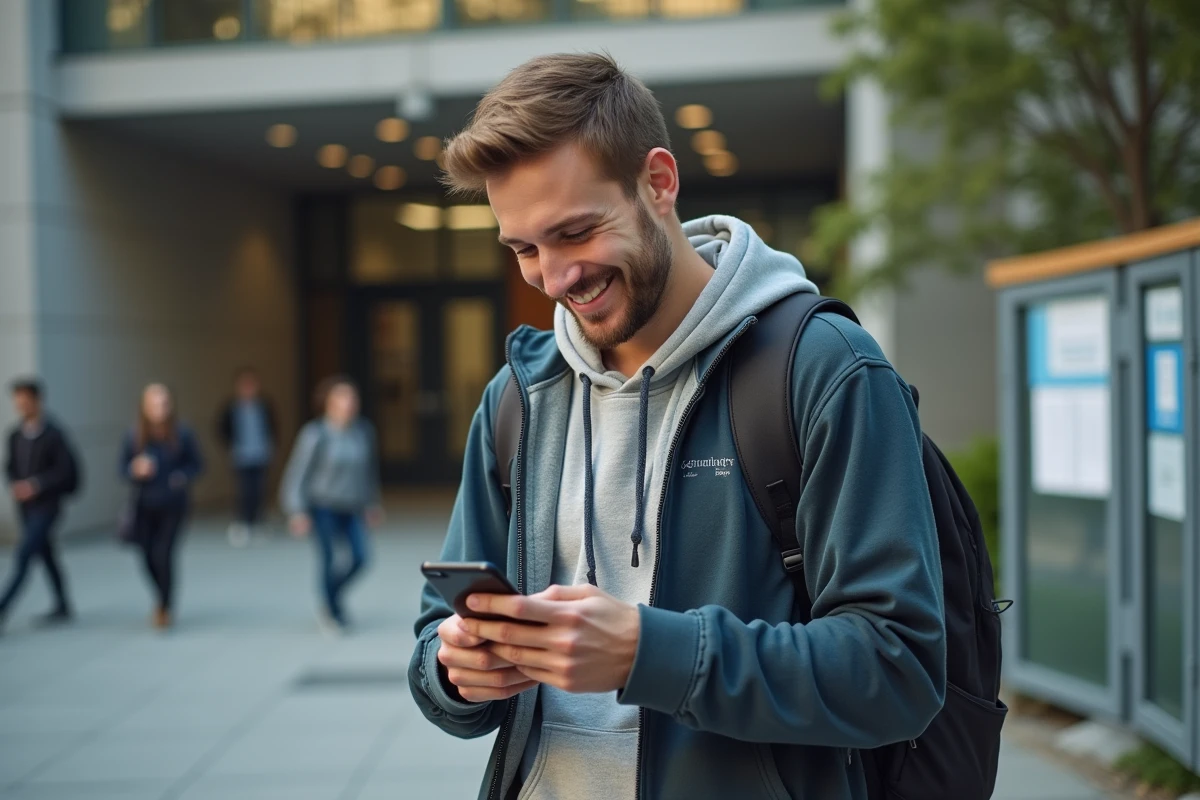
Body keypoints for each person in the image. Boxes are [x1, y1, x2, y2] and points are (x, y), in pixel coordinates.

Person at [408, 53, 946, 800]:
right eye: (526, 249)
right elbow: (436, 640)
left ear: (658, 182)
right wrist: (454, 670)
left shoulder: (824, 370)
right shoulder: (517, 399)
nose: (555, 279)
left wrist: (647, 651)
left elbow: (899, 670)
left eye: (576, 232)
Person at [279, 377, 383, 635]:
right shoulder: (316, 434)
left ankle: (331, 596)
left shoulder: (363, 432)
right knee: (329, 559)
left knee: (361, 558)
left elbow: (369, 472)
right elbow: (297, 474)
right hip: (323, 506)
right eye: (341, 398)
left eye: (352, 398)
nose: (348, 404)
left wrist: (372, 503)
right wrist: (297, 511)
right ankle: (332, 610)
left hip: (353, 507)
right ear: (328, 403)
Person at [120, 383, 203, 630]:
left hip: (173, 505)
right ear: (144, 407)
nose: (160, 408)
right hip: (144, 505)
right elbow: (122, 468)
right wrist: (135, 469)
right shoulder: (134, 436)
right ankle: (161, 596)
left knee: (164, 554)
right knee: (146, 556)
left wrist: (180, 476)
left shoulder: (182, 434)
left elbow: (198, 465)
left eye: (164, 403)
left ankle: (165, 606)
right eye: (154, 403)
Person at [0, 379, 78, 634]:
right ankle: (64, 605)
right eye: (17, 400)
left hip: (47, 507)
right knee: (47, 555)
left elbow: (66, 471)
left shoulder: (54, 434)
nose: (21, 405)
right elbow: (10, 466)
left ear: (37, 400)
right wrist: (15, 484)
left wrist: (37, 484)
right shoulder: (14, 434)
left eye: (25, 400)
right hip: (25, 508)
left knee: (24, 555)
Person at [216, 367, 278, 547]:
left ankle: (258, 521)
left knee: (259, 489)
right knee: (244, 490)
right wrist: (230, 445)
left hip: (260, 453)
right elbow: (221, 428)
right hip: (241, 455)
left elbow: (273, 426)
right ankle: (243, 522)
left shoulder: (264, 405)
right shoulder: (232, 407)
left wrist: (271, 445)